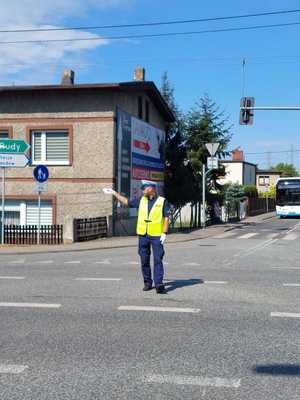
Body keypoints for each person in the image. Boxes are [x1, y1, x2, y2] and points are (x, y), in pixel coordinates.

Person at [103, 180, 170, 294]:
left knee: (158, 259)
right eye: (142, 188)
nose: (143, 190)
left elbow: (166, 218)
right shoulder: (141, 200)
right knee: (144, 260)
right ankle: (148, 283)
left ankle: (159, 284)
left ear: (152, 188)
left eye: (145, 188)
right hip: (143, 235)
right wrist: (114, 193)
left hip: (156, 236)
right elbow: (126, 202)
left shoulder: (162, 201)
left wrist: (164, 233)